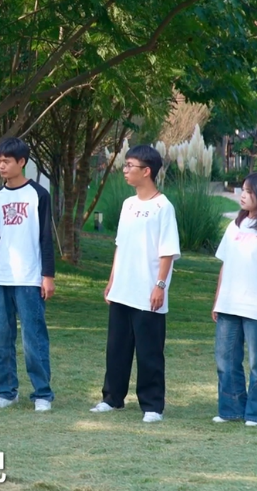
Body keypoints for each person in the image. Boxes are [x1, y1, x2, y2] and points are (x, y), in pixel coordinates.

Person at [91, 145, 180, 423]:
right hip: (123, 288)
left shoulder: (163, 207)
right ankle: (112, 398)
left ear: (147, 171)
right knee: (117, 347)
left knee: (149, 350)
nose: (125, 170)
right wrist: (112, 280)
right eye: (126, 165)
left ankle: (152, 405)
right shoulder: (128, 204)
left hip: (148, 290)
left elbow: (167, 252)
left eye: (131, 165)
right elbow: (120, 245)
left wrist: (160, 285)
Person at [0, 137, 56, 412]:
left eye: (7, 161)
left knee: (33, 337)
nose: (1, 166)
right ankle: (4, 391)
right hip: (2, 277)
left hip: (30, 278)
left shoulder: (38, 195)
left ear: (22, 162)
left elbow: (46, 238)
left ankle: (42, 394)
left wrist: (47, 275)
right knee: (1, 337)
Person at [211, 172, 257, 426]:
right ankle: (231, 409)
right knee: (226, 359)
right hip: (229, 303)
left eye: (249, 191)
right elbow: (225, 264)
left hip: (256, 306)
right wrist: (218, 299)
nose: (243, 195)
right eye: (242, 190)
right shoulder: (235, 225)